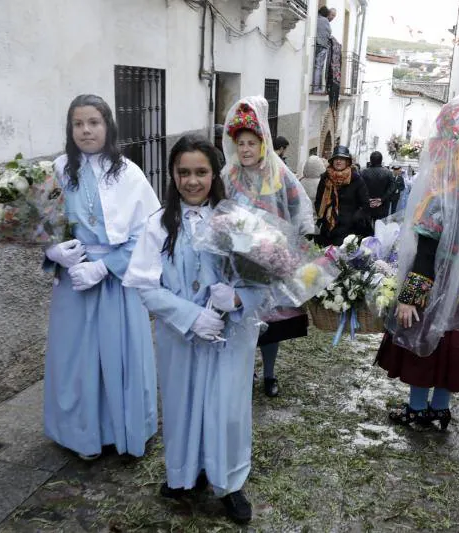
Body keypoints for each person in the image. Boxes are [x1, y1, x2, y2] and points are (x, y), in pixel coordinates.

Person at [124, 135, 265, 525]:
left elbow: (265, 280)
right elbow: (144, 285)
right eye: (183, 172)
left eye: (200, 172)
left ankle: (229, 481)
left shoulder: (237, 219)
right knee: (183, 405)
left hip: (230, 339)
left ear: (215, 173)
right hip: (179, 338)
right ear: (172, 174)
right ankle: (183, 474)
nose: (191, 181)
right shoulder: (157, 225)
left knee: (226, 409)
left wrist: (236, 300)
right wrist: (189, 316)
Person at [43, 94, 160, 460]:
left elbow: (149, 233)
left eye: (93, 122)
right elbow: (41, 224)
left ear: (107, 125)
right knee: (76, 361)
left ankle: (124, 431)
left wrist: (104, 266)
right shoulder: (57, 171)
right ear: (70, 129)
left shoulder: (129, 173)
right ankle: (81, 435)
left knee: (119, 357)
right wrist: (52, 251)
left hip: (115, 284)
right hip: (74, 284)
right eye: (78, 123)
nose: (86, 130)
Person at [375, 96, 459, 431]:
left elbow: (426, 252)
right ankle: (440, 411)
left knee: (425, 343)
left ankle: (417, 409)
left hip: (434, 286)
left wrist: (410, 297)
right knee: (452, 346)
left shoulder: (437, 193)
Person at [222, 96, 315, 398]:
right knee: (244, 319)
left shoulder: (279, 174)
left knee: (271, 323)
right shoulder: (229, 176)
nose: (246, 149)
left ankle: (270, 374)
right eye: (241, 144)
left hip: (271, 261)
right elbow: (218, 212)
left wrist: (300, 239)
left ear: (263, 143)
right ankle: (246, 370)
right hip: (238, 263)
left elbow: (298, 206)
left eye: (252, 143)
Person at [314, 145, 372, 246]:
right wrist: (323, 217)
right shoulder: (325, 178)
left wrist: (354, 218)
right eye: (336, 159)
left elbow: (365, 204)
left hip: (349, 230)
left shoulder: (356, 179)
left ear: (347, 162)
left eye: (342, 159)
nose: (338, 161)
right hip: (328, 228)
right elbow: (319, 199)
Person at [361, 150, 403, 220]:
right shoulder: (388, 172)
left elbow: (360, 188)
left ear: (370, 160)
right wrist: (382, 199)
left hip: (368, 204)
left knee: (367, 226)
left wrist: (368, 199)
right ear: (381, 160)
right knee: (380, 226)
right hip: (383, 205)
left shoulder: (363, 172)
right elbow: (392, 187)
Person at [313, 6, 332, 93]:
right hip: (322, 46)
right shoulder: (325, 20)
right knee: (319, 67)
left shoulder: (315, 18)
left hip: (316, 44)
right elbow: (329, 32)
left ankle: (316, 87)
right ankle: (316, 88)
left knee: (317, 66)